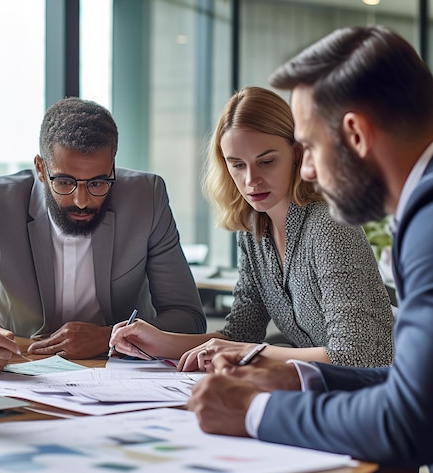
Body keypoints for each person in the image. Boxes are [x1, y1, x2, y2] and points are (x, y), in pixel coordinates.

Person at [187, 25, 433, 473]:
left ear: (355, 134)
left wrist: (258, 411)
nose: (305, 169)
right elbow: (423, 382)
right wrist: (301, 375)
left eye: (307, 147)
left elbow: (411, 421)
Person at [110, 86, 393, 382]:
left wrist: (251, 351)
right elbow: (239, 333)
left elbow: (354, 357)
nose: (251, 180)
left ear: (297, 154)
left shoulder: (329, 223)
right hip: (322, 391)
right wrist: (159, 341)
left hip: (382, 397)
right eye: (237, 165)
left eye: (266, 161)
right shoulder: (254, 229)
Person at [0, 98, 205, 373]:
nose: (82, 200)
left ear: (112, 169)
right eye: (65, 181)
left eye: (98, 182)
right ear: (41, 169)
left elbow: (187, 317)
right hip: (13, 369)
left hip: (115, 377)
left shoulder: (146, 198)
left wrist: (108, 338)